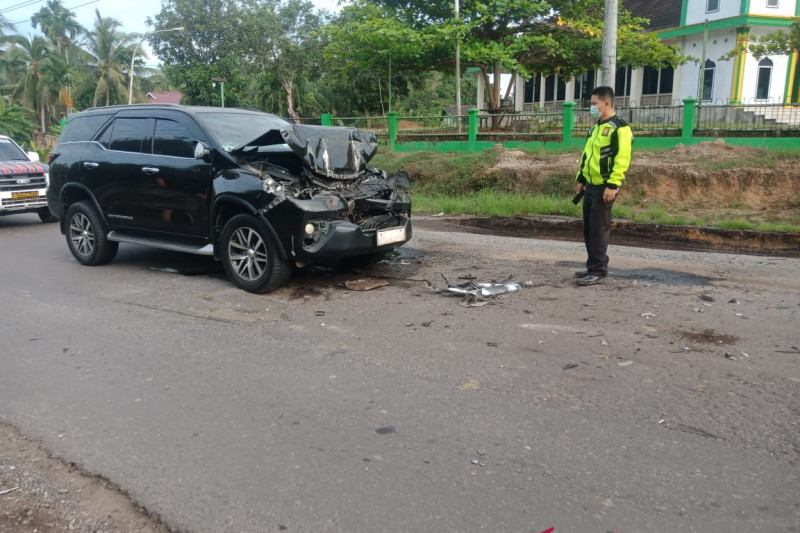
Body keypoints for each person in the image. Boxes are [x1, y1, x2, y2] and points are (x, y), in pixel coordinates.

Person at [573, 86, 633, 286]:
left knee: (599, 230)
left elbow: (622, 159)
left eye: (593, 104)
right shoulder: (595, 128)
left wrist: (613, 185)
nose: (591, 108)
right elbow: (587, 156)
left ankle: (597, 270)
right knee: (590, 229)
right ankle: (593, 266)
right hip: (591, 185)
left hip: (605, 187)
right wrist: (581, 179)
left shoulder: (620, 128)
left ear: (607, 103)